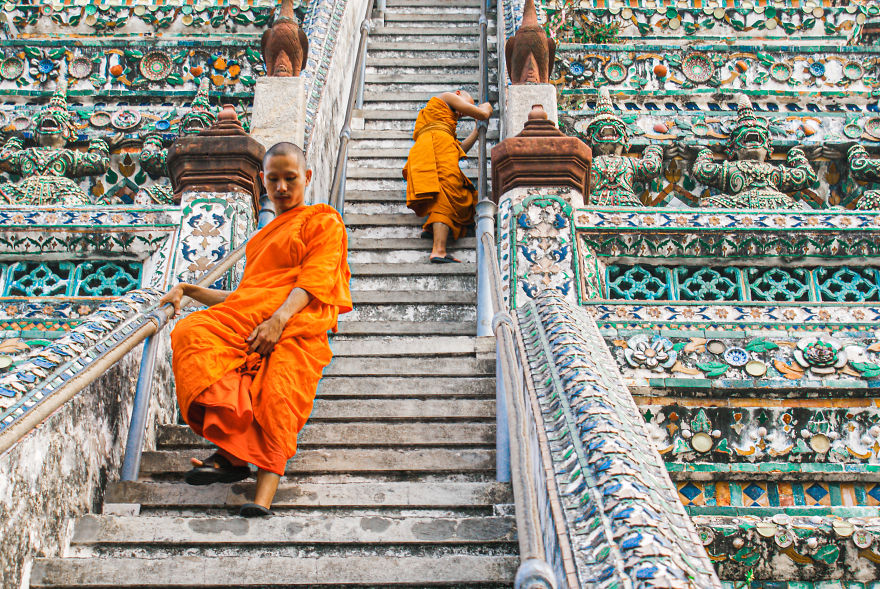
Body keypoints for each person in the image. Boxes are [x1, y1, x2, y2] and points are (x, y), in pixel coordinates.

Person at [158, 142, 352, 517]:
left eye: (290, 178)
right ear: (263, 182)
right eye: (274, 179)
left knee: (278, 395)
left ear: (307, 178)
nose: (282, 187)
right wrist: (189, 290)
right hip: (255, 320)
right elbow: (248, 296)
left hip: (298, 326)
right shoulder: (260, 239)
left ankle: (258, 495)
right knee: (192, 332)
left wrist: (278, 322)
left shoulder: (324, 220)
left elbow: (314, 280)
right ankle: (232, 454)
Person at [402, 90, 493, 263]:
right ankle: (439, 250)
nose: (462, 113)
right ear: (458, 93)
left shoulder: (445, 126)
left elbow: (459, 150)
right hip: (435, 147)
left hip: (437, 148)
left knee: (451, 192)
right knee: (445, 195)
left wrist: (476, 130)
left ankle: (432, 230)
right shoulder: (446, 97)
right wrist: (486, 107)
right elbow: (482, 113)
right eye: (467, 104)